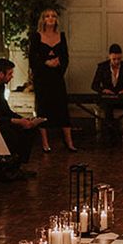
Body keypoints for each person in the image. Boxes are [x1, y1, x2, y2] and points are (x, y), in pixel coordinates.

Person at [29, 8, 77, 152]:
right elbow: (32, 58)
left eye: (53, 16)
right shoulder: (36, 36)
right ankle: (45, 143)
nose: (50, 19)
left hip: (56, 77)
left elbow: (65, 56)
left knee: (62, 107)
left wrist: (58, 63)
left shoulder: (61, 36)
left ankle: (69, 142)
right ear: (43, 19)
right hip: (42, 78)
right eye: (47, 16)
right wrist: (45, 63)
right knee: (43, 107)